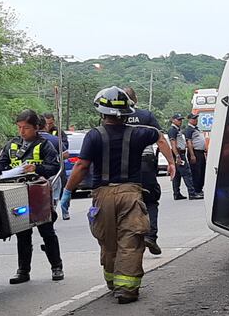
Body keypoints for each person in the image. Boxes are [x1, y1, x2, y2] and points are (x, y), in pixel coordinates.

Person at [64, 87, 158, 303]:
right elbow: (155, 132)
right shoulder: (139, 134)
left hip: (102, 196)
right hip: (130, 195)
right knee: (130, 240)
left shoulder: (94, 136)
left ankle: (113, 282)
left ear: (101, 112)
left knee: (108, 241)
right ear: (127, 112)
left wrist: (67, 191)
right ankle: (126, 289)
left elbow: (81, 166)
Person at [0, 109, 64, 284]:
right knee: (22, 233)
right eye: (19, 127)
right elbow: (0, 167)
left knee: (47, 231)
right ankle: (23, 271)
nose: (22, 131)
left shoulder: (45, 145)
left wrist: (36, 168)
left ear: (36, 128)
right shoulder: (11, 145)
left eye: (26, 128)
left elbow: (54, 167)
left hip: (38, 194)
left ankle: (56, 267)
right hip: (17, 194)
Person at [120, 87, 176, 255]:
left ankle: (130, 241)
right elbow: (160, 140)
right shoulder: (146, 116)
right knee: (150, 200)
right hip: (145, 163)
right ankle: (150, 236)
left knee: (127, 203)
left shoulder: (114, 117)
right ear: (135, 99)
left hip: (123, 165)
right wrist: (171, 162)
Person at [41, 112, 73, 221]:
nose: (48, 125)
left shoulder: (58, 133)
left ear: (53, 121)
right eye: (47, 123)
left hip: (58, 168)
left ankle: (65, 210)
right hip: (44, 169)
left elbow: (65, 150)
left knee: (63, 189)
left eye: (50, 123)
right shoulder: (36, 137)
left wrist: (55, 157)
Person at [167, 113, 192, 201]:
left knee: (177, 175)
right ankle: (192, 193)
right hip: (178, 154)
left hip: (178, 154)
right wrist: (178, 156)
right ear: (173, 120)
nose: (180, 121)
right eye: (178, 120)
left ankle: (177, 194)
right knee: (187, 173)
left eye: (181, 120)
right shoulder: (172, 130)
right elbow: (173, 144)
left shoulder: (177, 130)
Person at [184, 113, 208, 199]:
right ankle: (196, 190)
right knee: (196, 172)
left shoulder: (196, 129)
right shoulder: (189, 130)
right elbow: (189, 142)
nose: (196, 120)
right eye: (194, 119)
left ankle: (199, 189)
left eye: (196, 119)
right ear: (189, 120)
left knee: (201, 172)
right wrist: (192, 155)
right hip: (195, 152)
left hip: (200, 152)